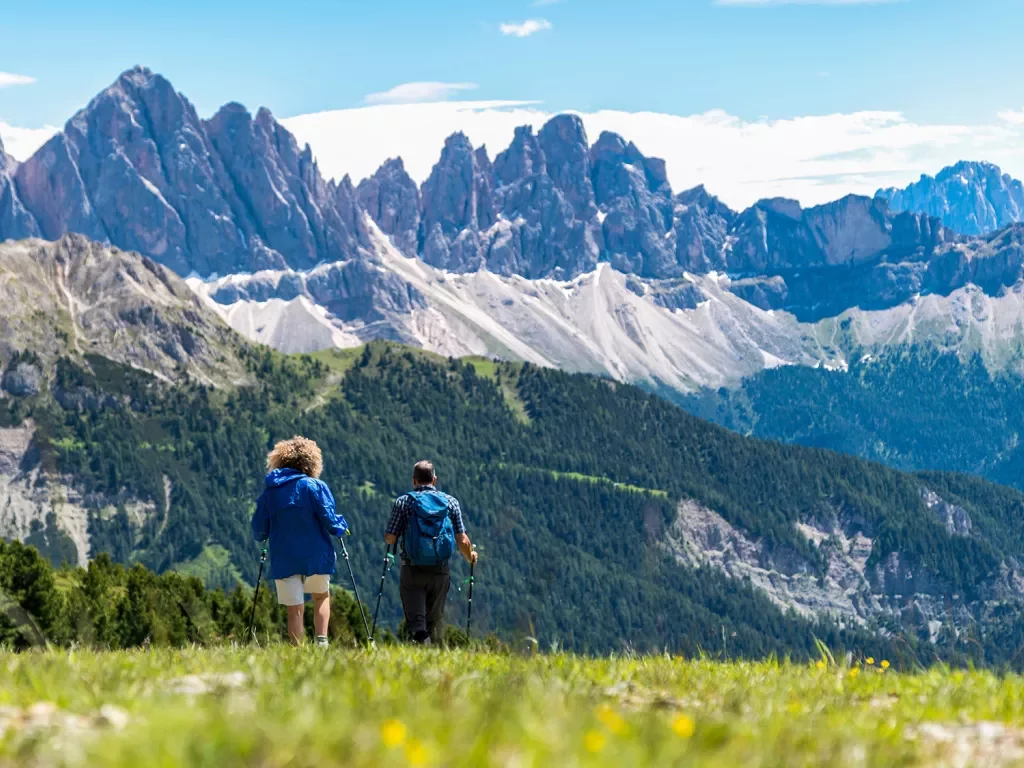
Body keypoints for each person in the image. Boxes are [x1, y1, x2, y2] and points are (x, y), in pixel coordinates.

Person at [251, 436, 347, 647]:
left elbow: (259, 530)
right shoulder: (315, 486)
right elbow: (331, 521)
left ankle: (298, 650)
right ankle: (321, 642)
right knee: (321, 596)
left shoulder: (271, 491)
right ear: (311, 462)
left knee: (294, 608)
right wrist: (342, 527)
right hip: (316, 554)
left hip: (284, 556)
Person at [385, 460, 477, 645]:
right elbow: (462, 540)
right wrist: (471, 558)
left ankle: (422, 643)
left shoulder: (404, 502)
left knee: (416, 622)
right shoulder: (450, 503)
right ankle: (432, 654)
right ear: (434, 480)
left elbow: (390, 538)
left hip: (412, 569)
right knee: (433, 620)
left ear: (414, 480)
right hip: (439, 570)